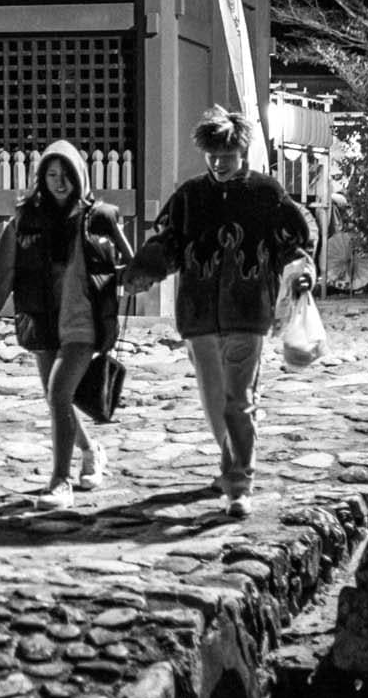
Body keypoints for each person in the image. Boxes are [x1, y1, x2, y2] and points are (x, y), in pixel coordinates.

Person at [124, 105, 316, 519]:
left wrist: (305, 273)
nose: (218, 161)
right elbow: (170, 243)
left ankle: (239, 482)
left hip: (249, 311)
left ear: (242, 150)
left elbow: (295, 245)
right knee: (214, 400)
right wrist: (143, 268)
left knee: (238, 400)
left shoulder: (266, 194)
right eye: (212, 154)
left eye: (226, 154)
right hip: (197, 314)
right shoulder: (190, 196)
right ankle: (230, 462)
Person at [0, 140, 125, 507]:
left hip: (82, 319)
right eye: (52, 174)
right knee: (57, 398)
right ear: (41, 177)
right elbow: (0, 271)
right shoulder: (25, 220)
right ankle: (90, 450)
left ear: (79, 177)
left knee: (59, 392)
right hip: (41, 316)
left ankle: (60, 482)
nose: (59, 182)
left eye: (66, 174)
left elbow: (127, 261)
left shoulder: (96, 217)